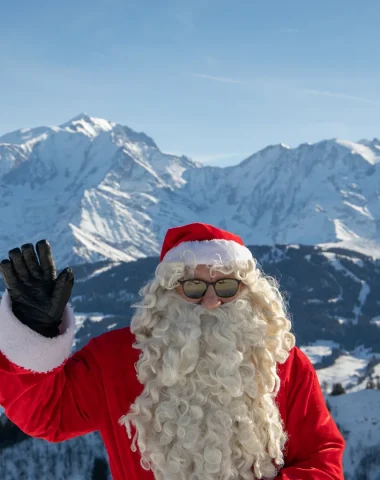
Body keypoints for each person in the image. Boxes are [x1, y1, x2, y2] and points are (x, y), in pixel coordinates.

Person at [0, 223, 345, 480]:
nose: (211, 302)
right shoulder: (116, 359)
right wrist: (33, 332)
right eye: (193, 287)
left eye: (226, 286)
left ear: (248, 292)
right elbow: (49, 414)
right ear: (166, 292)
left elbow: (322, 458)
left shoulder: (281, 363)